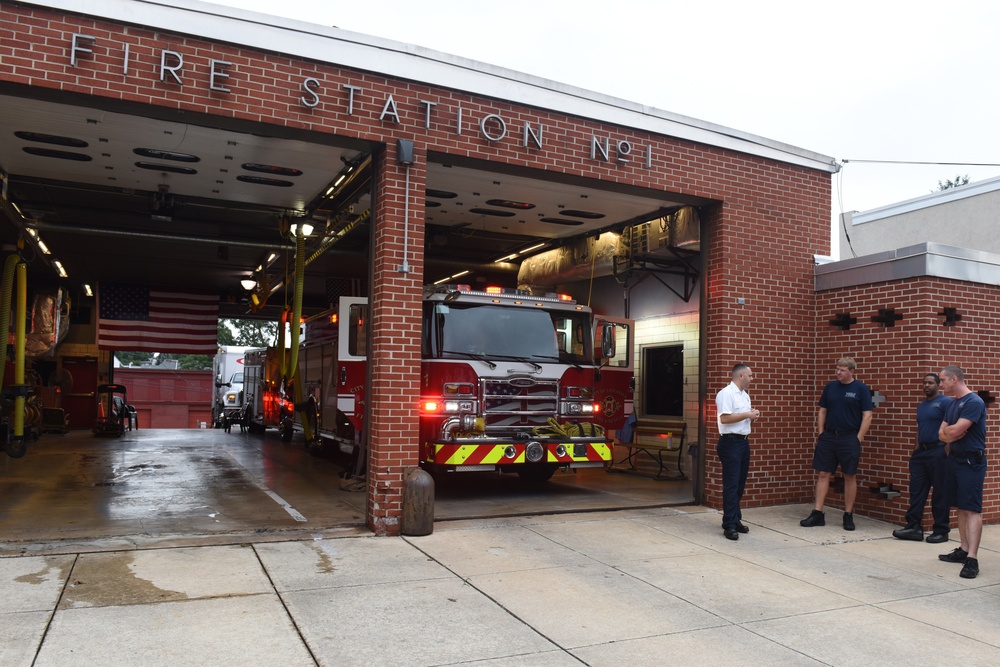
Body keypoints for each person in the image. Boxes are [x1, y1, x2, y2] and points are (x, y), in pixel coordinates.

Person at [800, 357, 873, 531]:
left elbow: (867, 415)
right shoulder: (830, 387)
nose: (838, 372)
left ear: (852, 371)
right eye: (837, 369)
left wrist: (859, 438)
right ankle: (817, 513)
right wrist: (821, 433)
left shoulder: (860, 389)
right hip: (829, 437)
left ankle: (848, 515)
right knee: (823, 473)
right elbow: (822, 410)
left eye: (842, 370)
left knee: (849, 475)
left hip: (849, 438)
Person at [936, 365, 987, 579]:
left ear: (954, 379)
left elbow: (954, 430)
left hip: (970, 462)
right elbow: (941, 434)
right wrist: (951, 434)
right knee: (958, 506)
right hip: (954, 460)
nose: (940, 385)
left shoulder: (974, 402)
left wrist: (951, 433)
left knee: (971, 509)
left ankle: (972, 559)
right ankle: (963, 549)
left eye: (942, 380)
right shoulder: (952, 403)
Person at [892, 373, 953, 543]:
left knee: (940, 493)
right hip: (921, 454)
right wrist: (915, 451)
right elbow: (920, 429)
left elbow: (952, 427)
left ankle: (941, 530)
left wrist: (946, 450)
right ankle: (913, 527)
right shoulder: (922, 406)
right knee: (917, 491)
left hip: (938, 452)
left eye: (930, 383)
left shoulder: (946, 403)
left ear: (938, 385)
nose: (926, 385)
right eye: (924, 383)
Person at [716, 364, 760, 541]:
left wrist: (752, 417)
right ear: (740, 376)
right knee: (731, 484)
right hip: (730, 443)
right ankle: (729, 525)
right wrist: (747, 415)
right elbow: (724, 418)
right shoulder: (726, 393)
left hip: (743, 441)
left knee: (739, 484)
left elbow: (743, 420)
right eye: (750, 376)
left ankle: (735, 518)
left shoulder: (745, 396)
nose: (752, 379)